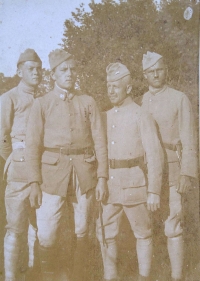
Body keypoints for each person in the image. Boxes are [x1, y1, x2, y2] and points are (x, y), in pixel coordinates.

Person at [25, 49, 108, 281]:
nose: (69, 74)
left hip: (84, 173)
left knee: (82, 229)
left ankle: (78, 276)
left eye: (72, 69)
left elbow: (100, 141)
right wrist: (34, 182)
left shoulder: (88, 102)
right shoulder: (42, 104)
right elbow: (32, 146)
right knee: (48, 233)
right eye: (63, 70)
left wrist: (102, 177)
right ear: (53, 75)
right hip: (52, 176)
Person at [96, 62, 163, 281]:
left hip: (134, 184)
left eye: (116, 86)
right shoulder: (104, 116)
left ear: (128, 88)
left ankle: (144, 277)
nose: (111, 90)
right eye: (109, 85)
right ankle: (110, 276)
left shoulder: (140, 115)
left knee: (143, 233)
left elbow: (154, 154)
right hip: (110, 185)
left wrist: (153, 191)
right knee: (105, 232)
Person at [141, 51, 198, 281]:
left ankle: (177, 276)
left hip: (174, 168)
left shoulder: (179, 98)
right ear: (145, 75)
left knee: (173, 223)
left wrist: (187, 173)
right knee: (150, 224)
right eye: (151, 71)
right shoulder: (142, 100)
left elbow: (189, 139)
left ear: (166, 71)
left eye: (160, 70)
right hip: (148, 171)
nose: (156, 75)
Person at [0, 49, 42, 281]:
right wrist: (15, 160)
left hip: (42, 169)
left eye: (38, 69)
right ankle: (10, 277)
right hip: (18, 168)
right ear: (19, 71)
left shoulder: (43, 99)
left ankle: (32, 274)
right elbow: (2, 136)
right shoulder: (9, 98)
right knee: (15, 227)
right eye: (30, 69)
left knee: (38, 227)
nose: (36, 73)